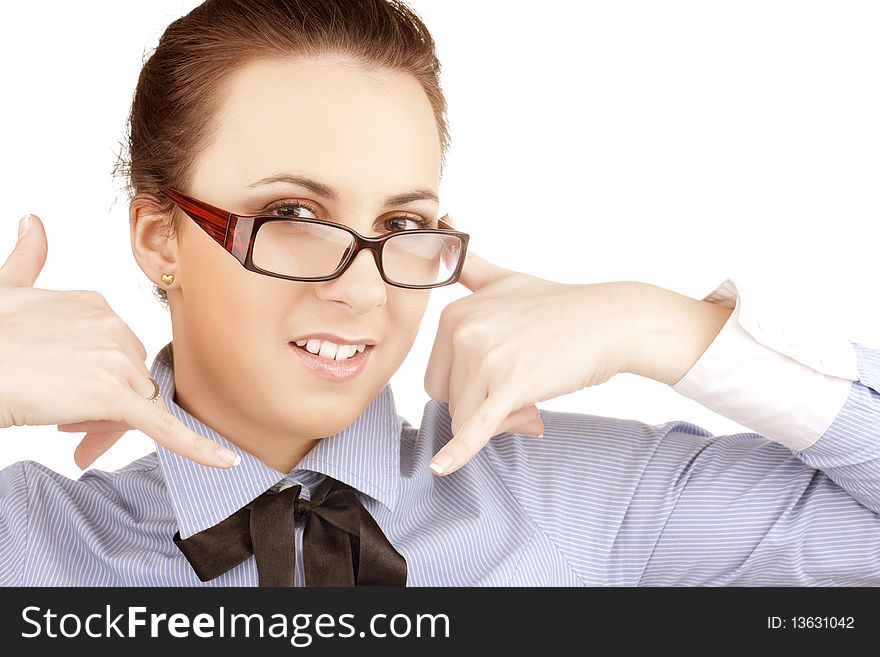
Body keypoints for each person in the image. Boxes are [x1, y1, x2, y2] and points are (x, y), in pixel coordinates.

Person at [1, 0, 878, 586]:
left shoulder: (576, 497)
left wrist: (666, 326)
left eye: (400, 226)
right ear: (162, 240)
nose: (361, 291)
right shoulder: (31, 539)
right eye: (293, 212)